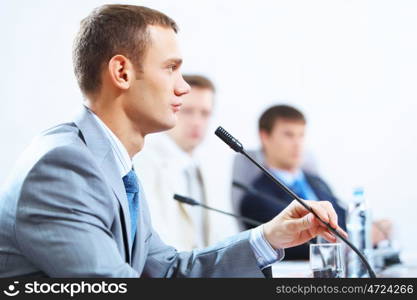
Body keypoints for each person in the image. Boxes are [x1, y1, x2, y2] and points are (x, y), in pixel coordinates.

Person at [0, 5, 346, 277]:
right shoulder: (63, 168)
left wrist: (268, 237)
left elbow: (167, 273)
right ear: (122, 73)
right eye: (170, 68)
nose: (182, 88)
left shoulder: (115, 168)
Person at [237, 104, 390, 260]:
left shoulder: (317, 182)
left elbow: (344, 221)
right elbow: (294, 244)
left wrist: (372, 229)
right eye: (289, 135)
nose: (297, 143)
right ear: (265, 137)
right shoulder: (255, 197)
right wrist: (359, 239)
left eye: (301, 135)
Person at [133, 75, 237, 251]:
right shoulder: (143, 161)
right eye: (187, 111)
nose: (197, 122)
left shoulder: (211, 168)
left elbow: (226, 233)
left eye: (204, 113)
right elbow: (154, 240)